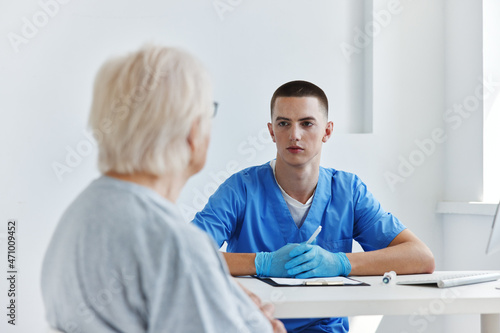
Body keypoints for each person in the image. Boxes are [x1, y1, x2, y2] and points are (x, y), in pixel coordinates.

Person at [41, 45, 285, 333]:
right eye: (209, 113)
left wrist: (212, 291)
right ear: (193, 133)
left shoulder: (77, 216)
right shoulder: (175, 244)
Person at [192, 80, 435, 333]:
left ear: (327, 131)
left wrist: (341, 263)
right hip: (255, 325)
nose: (294, 135)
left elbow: (421, 257)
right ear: (272, 131)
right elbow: (186, 255)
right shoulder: (241, 189)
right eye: (284, 123)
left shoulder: (348, 191)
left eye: (307, 123)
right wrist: (261, 263)